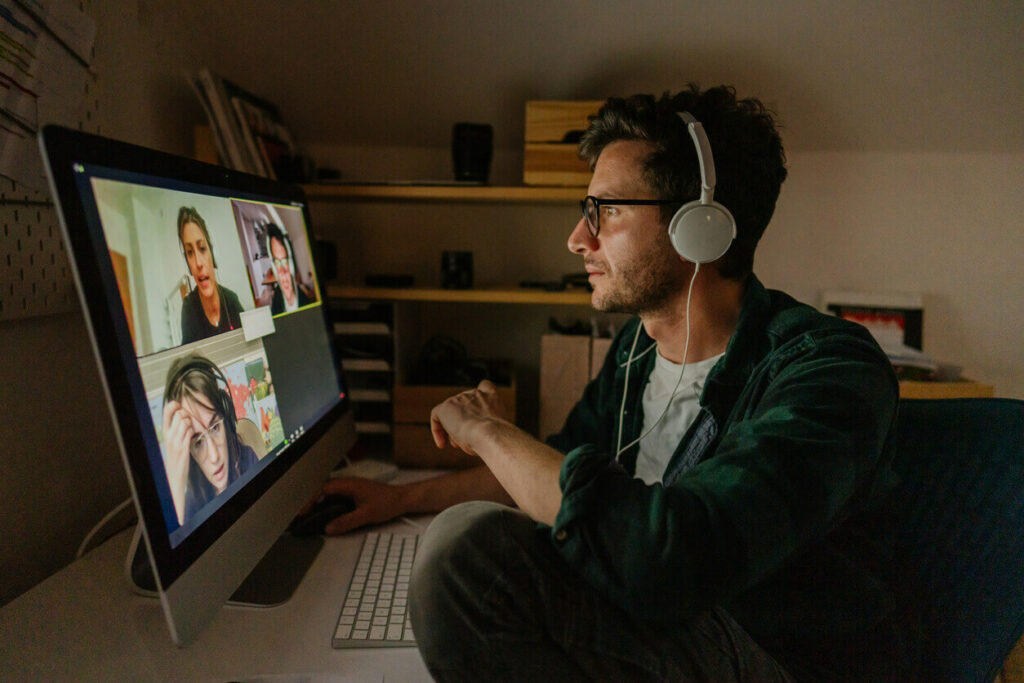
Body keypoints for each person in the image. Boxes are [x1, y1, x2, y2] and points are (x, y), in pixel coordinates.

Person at [314, 85, 915, 680]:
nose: (578, 237)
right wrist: (398, 500)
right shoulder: (636, 350)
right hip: (657, 631)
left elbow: (673, 558)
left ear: (698, 228)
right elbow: (563, 471)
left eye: (608, 210)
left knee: (466, 556)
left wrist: (493, 433)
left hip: (773, 658)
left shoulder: (828, 370)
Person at [162, 353, 259, 526]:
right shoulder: (189, 506)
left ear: (227, 417)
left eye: (215, 428)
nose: (214, 456)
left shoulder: (247, 460)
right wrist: (174, 485)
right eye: (198, 442)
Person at [178, 206, 245, 343]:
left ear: (213, 255)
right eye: (190, 252)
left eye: (202, 248)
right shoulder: (189, 309)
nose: (198, 263)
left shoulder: (231, 300)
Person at [266, 223, 312, 314]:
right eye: (277, 263)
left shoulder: (306, 304)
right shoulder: (276, 300)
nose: (283, 272)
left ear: (291, 264)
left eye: (285, 261)